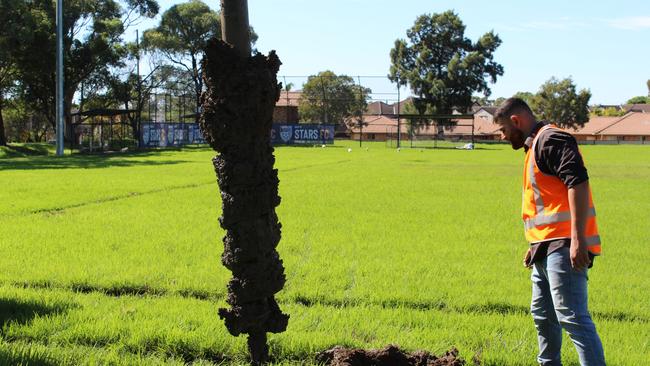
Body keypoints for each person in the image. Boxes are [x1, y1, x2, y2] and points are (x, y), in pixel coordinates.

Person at [494, 98, 605, 366]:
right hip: (545, 248)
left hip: (565, 248)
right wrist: (535, 244)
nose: (502, 136)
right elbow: (547, 203)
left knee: (573, 318)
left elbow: (577, 182)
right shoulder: (534, 147)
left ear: (516, 121)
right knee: (543, 317)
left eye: (503, 130)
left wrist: (578, 239)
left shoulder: (551, 139)